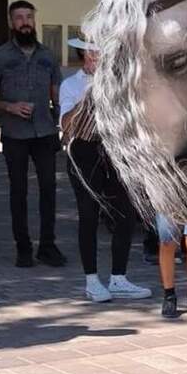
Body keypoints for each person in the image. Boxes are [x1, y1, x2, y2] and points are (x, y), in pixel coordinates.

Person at [59, 38, 151, 303]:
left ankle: (119, 278)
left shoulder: (116, 82)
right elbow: (66, 125)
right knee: (88, 214)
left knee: (125, 213)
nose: (100, 56)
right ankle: (91, 280)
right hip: (83, 151)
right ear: (86, 54)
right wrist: (89, 96)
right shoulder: (71, 84)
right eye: (95, 51)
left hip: (112, 150)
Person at [0, 1, 65, 268]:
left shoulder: (48, 55)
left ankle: (48, 246)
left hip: (44, 131)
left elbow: (57, 94)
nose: (25, 22)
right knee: (18, 191)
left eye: (29, 16)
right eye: (19, 18)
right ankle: (24, 247)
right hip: (15, 133)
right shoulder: (0, 56)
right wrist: (10, 106)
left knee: (49, 190)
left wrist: (62, 120)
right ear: (11, 23)